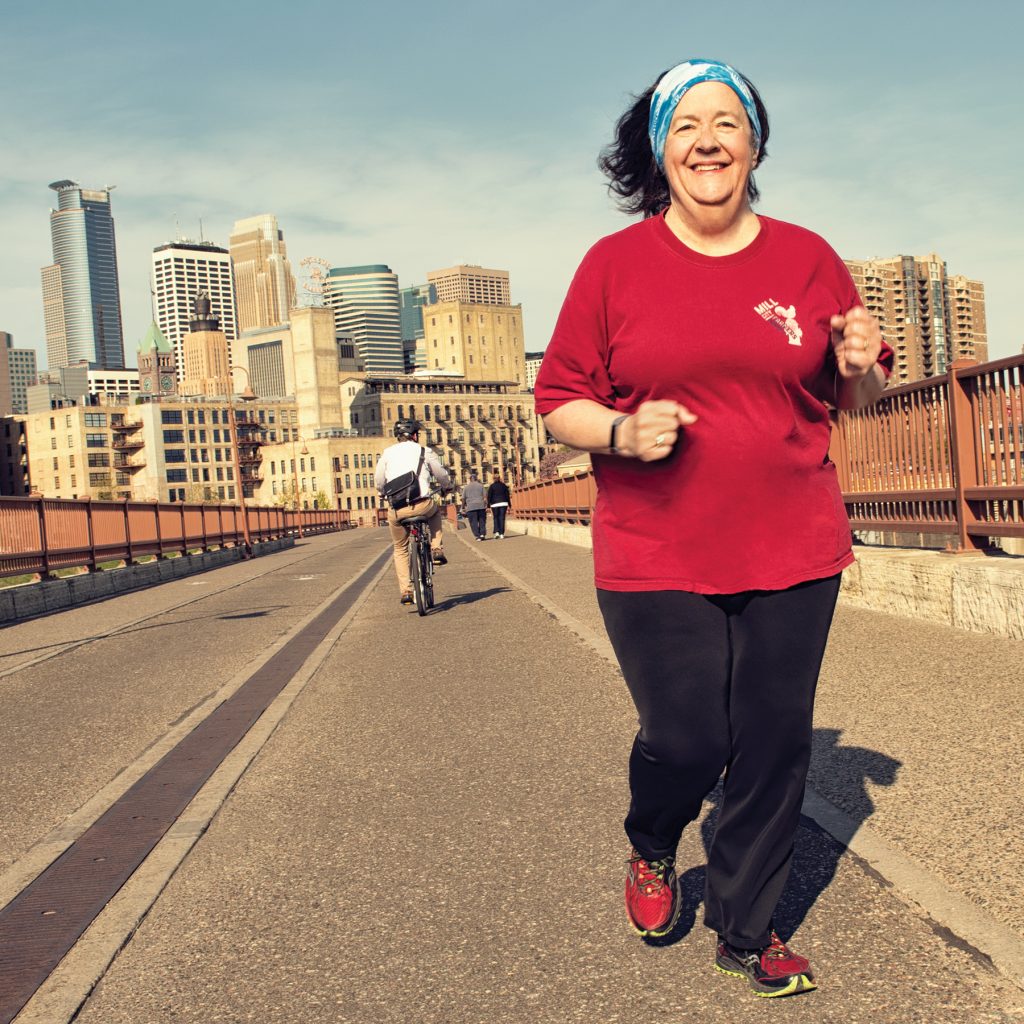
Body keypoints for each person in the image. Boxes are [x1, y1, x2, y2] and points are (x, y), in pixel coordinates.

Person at [533, 58, 892, 998]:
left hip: (793, 542)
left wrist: (860, 362)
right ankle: (653, 843)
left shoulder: (807, 256)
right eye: (687, 124)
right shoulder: (615, 265)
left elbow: (857, 392)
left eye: (728, 122)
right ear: (662, 151)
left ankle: (747, 925)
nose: (708, 139)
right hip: (656, 549)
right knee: (688, 738)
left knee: (775, 741)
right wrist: (619, 431)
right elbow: (558, 396)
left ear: (755, 145)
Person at [375, 418, 452, 605]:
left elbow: (379, 480)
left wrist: (381, 493)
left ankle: (406, 591)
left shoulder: (387, 453)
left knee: (400, 548)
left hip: (398, 510)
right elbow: (440, 474)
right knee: (434, 512)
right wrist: (447, 486)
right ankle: (436, 549)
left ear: (398, 436)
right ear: (415, 435)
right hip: (422, 505)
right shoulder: (424, 451)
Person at [462, 471, 488, 540]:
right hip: (481, 506)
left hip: (471, 507)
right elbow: (485, 497)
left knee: (473, 522)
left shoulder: (466, 487)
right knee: (482, 520)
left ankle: (477, 536)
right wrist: (486, 505)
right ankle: (482, 534)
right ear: (476, 479)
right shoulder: (481, 486)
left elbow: (463, 498)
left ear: (470, 479)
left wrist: (463, 507)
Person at [486, 471, 511, 539]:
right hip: (503, 503)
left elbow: (489, 496)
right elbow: (507, 495)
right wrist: (509, 505)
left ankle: (496, 532)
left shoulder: (492, 486)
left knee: (496, 517)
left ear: (494, 479)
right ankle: (501, 534)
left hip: (495, 504)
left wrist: (488, 505)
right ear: (499, 478)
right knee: (502, 518)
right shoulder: (504, 486)